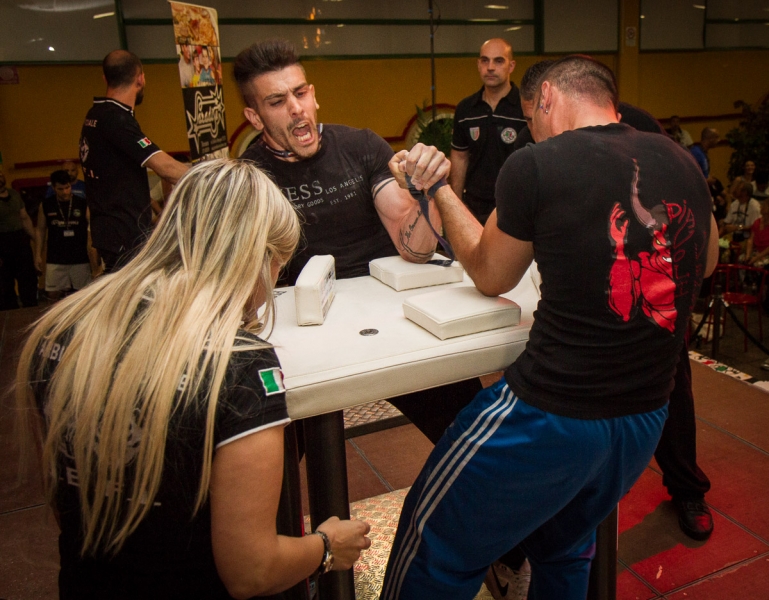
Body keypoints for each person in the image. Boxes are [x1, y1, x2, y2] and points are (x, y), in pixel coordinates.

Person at [380, 55, 719, 600]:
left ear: (547, 99)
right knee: (563, 549)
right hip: (645, 418)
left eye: (529, 119)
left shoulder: (537, 164)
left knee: (433, 540)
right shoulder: (681, 160)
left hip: (551, 414)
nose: (530, 131)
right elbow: (704, 263)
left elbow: (491, 274)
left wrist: (439, 188)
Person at [15, 158, 371, 599]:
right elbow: (252, 571)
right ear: (257, 257)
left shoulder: (60, 329)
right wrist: (327, 546)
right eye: (277, 267)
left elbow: (67, 500)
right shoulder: (238, 366)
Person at [233, 39, 482, 445]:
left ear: (313, 95)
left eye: (300, 93)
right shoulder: (250, 177)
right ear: (254, 117)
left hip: (386, 316)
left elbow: (414, 248)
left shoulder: (360, 146)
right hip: (305, 329)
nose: (296, 108)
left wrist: (430, 189)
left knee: (470, 433)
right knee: (265, 445)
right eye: (277, 102)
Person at [80, 50, 189, 273]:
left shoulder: (95, 113)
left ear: (105, 78)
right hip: (124, 236)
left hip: (111, 231)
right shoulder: (116, 119)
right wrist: (214, 177)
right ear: (141, 79)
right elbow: (165, 167)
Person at [449, 38, 527, 224]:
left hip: (516, 207)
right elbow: (459, 157)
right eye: (485, 60)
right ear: (478, 65)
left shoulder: (525, 108)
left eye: (498, 61)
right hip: (474, 208)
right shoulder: (466, 109)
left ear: (511, 66)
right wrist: (455, 206)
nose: (490, 67)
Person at [34, 170, 91, 301]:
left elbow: (91, 227)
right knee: (53, 293)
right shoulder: (46, 205)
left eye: (67, 187)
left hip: (79, 256)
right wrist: (37, 254)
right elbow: (40, 230)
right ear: (54, 188)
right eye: (60, 189)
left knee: (83, 294)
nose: (65, 192)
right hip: (56, 256)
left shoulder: (82, 203)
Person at [0, 165, 38, 310]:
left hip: (20, 240)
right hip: (3, 242)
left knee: (28, 278)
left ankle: (30, 309)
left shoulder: (14, 194)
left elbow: (25, 218)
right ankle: (9, 312)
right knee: (5, 282)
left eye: (1, 175)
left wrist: (35, 239)